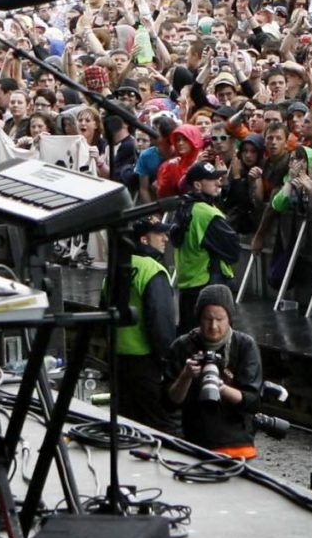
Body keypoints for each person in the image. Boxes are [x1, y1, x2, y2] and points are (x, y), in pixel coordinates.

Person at [161, 283, 265, 458]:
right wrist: (186, 376)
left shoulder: (244, 346)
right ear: (198, 317)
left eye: (220, 319)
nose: (213, 326)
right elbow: (169, 403)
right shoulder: (183, 346)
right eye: (207, 319)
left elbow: (252, 401)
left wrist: (221, 388)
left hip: (236, 445)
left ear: (229, 318)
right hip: (193, 442)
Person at [111, 213, 184, 433]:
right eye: (159, 234)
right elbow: (160, 320)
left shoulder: (116, 269)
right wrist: (168, 361)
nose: (165, 239)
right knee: (164, 426)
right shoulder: (153, 271)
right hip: (146, 361)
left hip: (118, 361)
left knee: (126, 426)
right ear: (144, 239)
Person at [171, 160, 244, 326]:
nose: (218, 182)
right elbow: (233, 252)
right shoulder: (207, 214)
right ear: (197, 185)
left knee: (189, 340)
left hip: (188, 286)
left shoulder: (184, 207)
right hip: (209, 286)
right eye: (212, 179)